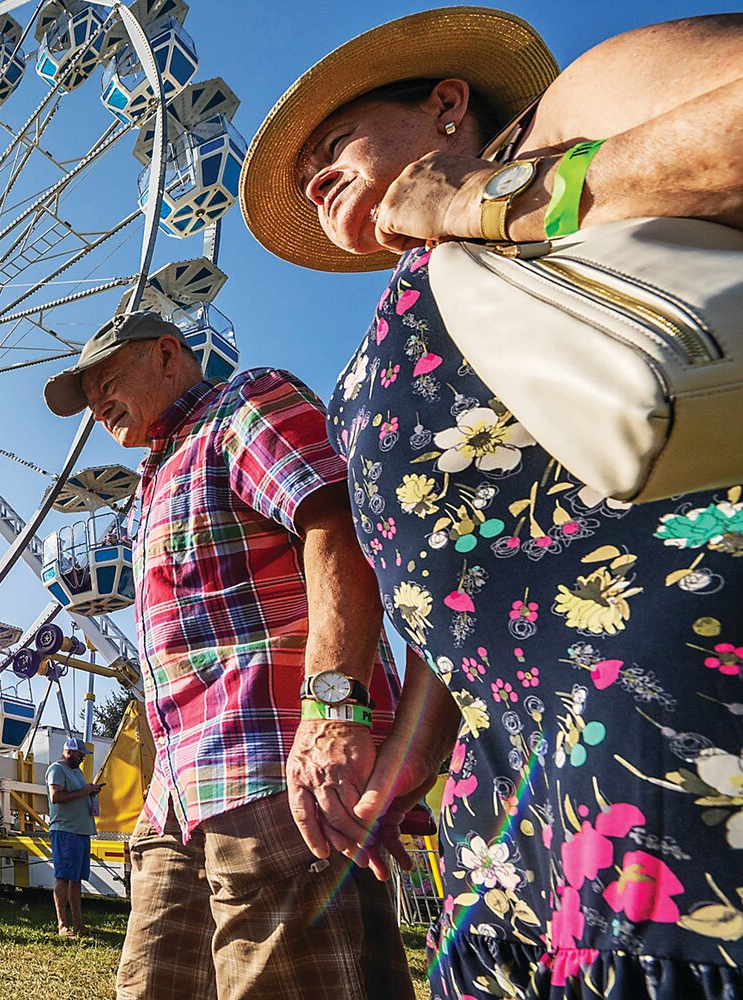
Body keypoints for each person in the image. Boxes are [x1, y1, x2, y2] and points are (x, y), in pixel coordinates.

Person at [239, 8, 743, 998]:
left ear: (446, 106)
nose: (314, 177)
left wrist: (492, 195)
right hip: (512, 799)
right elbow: (468, 564)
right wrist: (413, 749)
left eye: (333, 142)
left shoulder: (572, 112)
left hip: (688, 742)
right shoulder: (399, 321)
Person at [43, 311, 418, 998]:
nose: (96, 405)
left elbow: (336, 526)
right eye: (87, 396)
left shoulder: (244, 405)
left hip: (274, 768)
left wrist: (335, 710)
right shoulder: (154, 481)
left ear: (166, 355)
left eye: (106, 379)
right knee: (149, 983)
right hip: (178, 794)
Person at [46, 736, 102, 937]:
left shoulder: (76, 772)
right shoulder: (56, 770)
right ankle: (62, 926)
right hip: (65, 830)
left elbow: (79, 792)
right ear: (68, 752)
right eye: (80, 755)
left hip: (81, 831)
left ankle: (79, 924)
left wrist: (90, 791)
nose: (82, 759)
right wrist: (83, 791)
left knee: (76, 879)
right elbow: (56, 797)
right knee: (63, 877)